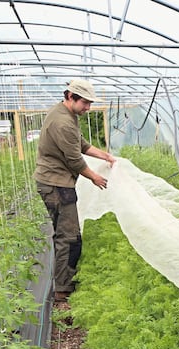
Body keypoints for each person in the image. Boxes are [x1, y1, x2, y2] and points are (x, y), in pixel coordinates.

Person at [33, 79, 117, 303]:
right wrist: (95, 178)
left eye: (90, 103)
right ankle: (63, 290)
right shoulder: (62, 122)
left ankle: (64, 282)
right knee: (69, 237)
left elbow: (81, 145)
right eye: (85, 103)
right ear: (70, 96)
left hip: (55, 182)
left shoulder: (66, 115)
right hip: (56, 185)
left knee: (66, 234)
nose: (88, 108)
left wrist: (106, 156)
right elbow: (74, 159)